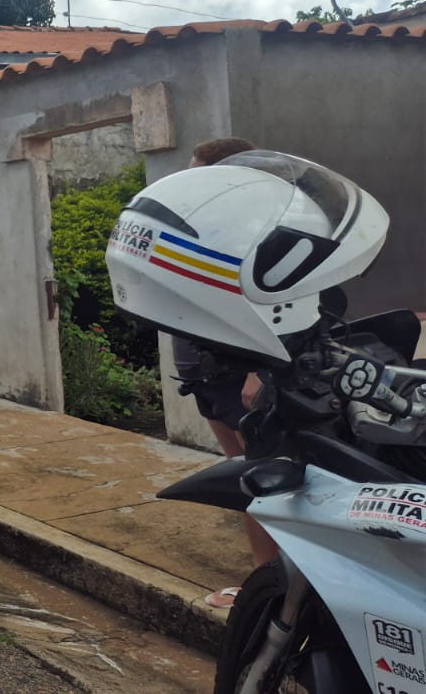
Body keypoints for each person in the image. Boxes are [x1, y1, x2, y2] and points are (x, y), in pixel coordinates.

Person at [173, 136, 277, 608]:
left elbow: (268, 303)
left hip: (241, 378)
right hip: (205, 376)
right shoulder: (204, 226)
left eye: (198, 171)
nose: (190, 179)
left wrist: (260, 372)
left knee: (262, 483)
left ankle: (266, 588)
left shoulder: (254, 229)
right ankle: (267, 582)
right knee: (244, 482)